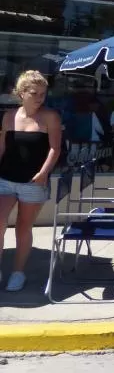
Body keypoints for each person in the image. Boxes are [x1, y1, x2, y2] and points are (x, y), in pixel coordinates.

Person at [0, 71, 62, 292]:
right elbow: (2, 146)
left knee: (23, 227)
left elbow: (55, 148)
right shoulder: (9, 116)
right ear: (21, 93)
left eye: (43, 94)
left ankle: (18, 272)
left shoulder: (50, 117)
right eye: (34, 93)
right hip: (6, 177)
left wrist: (44, 173)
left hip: (33, 181)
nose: (39, 98)